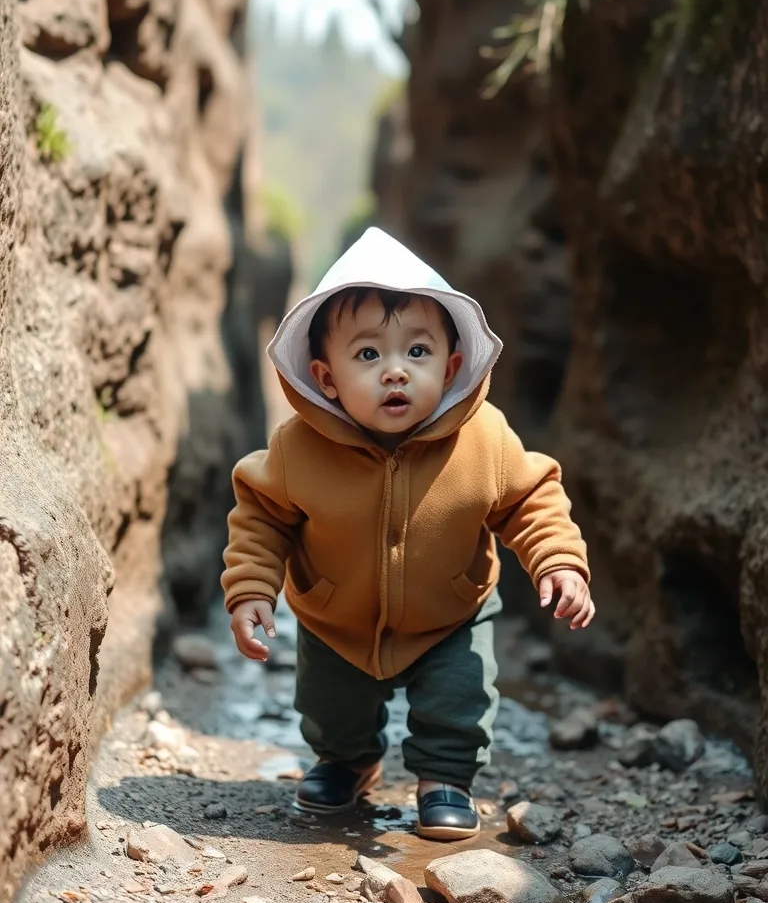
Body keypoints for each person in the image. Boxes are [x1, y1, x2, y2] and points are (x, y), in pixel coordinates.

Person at [222, 227, 594, 840]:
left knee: (459, 703)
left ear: (451, 369)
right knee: (331, 709)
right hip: (335, 619)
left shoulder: (485, 439)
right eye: (368, 355)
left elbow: (532, 498)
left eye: (417, 353)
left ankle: (444, 779)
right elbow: (261, 518)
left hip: (450, 613)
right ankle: (347, 761)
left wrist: (559, 563)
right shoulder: (297, 448)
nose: (395, 372)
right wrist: (250, 591)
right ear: (327, 376)